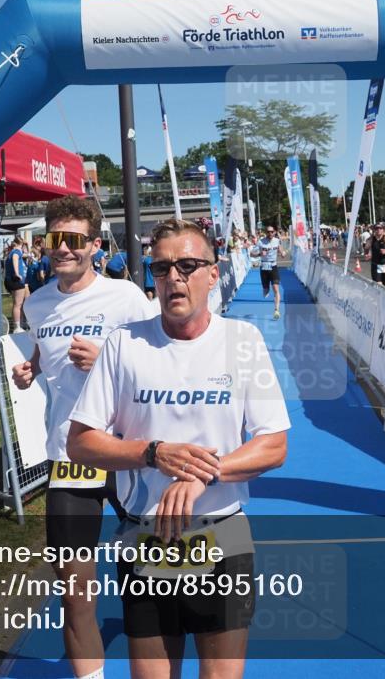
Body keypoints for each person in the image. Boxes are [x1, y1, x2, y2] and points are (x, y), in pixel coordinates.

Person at [67, 219, 289, 679]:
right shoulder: (124, 343)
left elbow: (273, 444)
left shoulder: (242, 342)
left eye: (188, 265)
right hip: (146, 539)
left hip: (222, 535)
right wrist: (152, 453)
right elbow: (80, 442)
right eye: (162, 267)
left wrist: (203, 472)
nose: (174, 278)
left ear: (213, 273)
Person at [11, 196, 151, 679]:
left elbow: (162, 361)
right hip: (71, 456)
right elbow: (43, 349)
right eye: (56, 240)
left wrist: (111, 361)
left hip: (129, 451)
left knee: (152, 585)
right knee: (75, 591)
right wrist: (31, 367)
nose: (64, 249)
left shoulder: (127, 298)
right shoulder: (40, 302)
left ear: (94, 244)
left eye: (74, 240)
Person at [251, 226, 286, 320]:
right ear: (266, 232)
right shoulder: (260, 242)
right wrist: (259, 254)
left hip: (273, 266)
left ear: (274, 232)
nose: (270, 233)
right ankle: (266, 288)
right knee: (265, 291)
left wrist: (283, 254)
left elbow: (281, 250)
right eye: (268, 232)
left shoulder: (277, 241)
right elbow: (251, 253)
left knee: (276, 288)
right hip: (264, 267)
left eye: (271, 232)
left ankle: (276, 310)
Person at [5, 236, 28, 332]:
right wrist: (17, 273)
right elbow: (15, 258)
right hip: (16, 280)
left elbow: (26, 254)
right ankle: (17, 327)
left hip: (12, 280)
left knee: (22, 303)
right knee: (18, 304)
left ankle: (22, 323)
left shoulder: (12, 252)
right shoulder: (16, 252)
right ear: (20, 244)